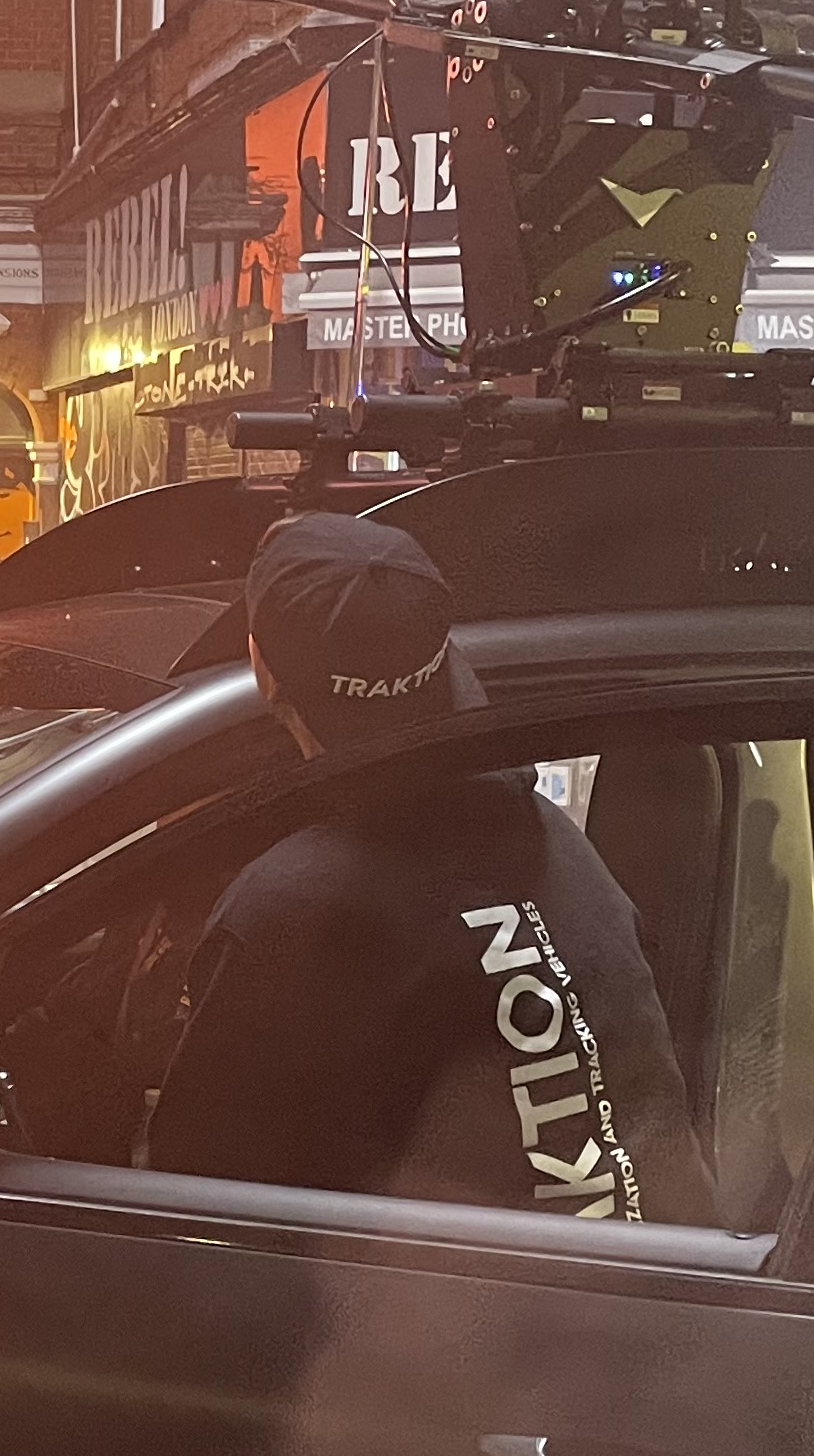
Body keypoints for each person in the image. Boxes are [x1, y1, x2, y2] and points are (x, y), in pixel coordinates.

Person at [143, 512, 706, 1222]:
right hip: (662, 1304)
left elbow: (185, 1206)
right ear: (443, 658)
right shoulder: (563, 851)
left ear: (262, 669)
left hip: (469, 1328)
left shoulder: (285, 915)